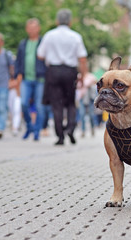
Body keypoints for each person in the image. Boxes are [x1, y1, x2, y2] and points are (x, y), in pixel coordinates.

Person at [37, 8, 88, 145]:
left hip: (53, 71)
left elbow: (40, 55)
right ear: (70, 22)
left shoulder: (49, 35)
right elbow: (82, 59)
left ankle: (60, 136)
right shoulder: (76, 36)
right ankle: (70, 128)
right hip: (70, 71)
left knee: (56, 104)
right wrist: (82, 76)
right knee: (70, 103)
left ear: (57, 21)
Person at [15, 18, 47, 141]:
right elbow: (18, 61)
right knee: (23, 103)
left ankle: (37, 131)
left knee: (39, 106)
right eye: (29, 27)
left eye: (34, 27)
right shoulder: (23, 43)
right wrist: (17, 74)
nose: (32, 30)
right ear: (26, 29)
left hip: (40, 79)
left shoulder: (43, 42)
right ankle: (29, 126)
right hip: (26, 78)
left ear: (38, 28)